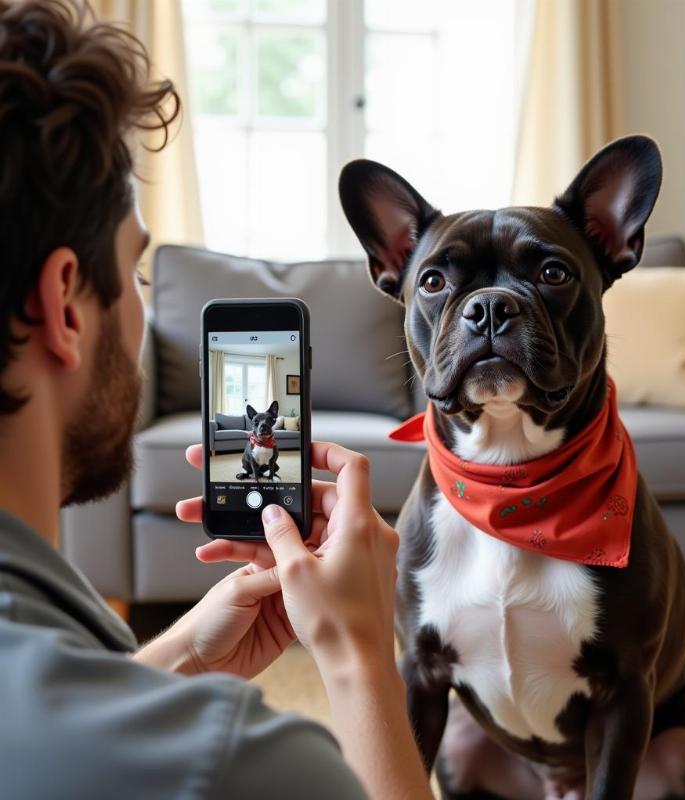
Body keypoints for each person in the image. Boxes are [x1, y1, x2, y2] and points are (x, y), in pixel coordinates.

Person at [0, 1, 433, 797]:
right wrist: (359, 658)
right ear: (66, 305)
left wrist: (179, 658)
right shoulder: (238, 759)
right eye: (136, 273)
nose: (140, 304)